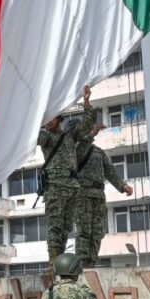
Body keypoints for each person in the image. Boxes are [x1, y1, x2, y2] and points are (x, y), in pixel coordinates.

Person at [39, 85, 97, 267]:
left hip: (72, 186)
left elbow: (87, 125)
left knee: (66, 228)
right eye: (46, 119)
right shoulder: (46, 137)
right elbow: (35, 137)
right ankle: (53, 264)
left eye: (51, 118)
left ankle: (60, 264)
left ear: (58, 118)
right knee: (55, 226)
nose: (49, 122)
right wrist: (37, 122)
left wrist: (86, 103)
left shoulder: (69, 135)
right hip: (55, 186)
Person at [75, 124, 133, 267]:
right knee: (84, 229)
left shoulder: (99, 152)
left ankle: (92, 261)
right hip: (83, 195)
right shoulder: (74, 149)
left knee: (97, 231)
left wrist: (122, 185)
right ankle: (82, 262)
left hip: (99, 195)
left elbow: (109, 170)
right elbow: (78, 152)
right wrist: (93, 133)